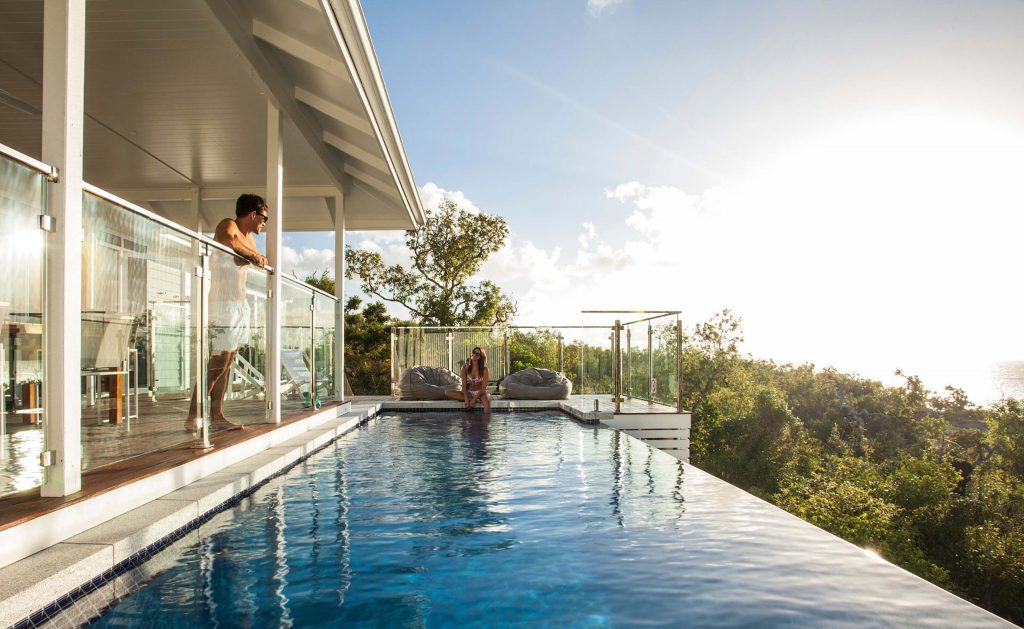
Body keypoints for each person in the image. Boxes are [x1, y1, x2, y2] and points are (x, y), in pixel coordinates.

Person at [184, 193, 269, 434]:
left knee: (228, 362)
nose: (264, 223)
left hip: (240, 308)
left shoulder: (250, 238)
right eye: (264, 218)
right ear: (253, 214)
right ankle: (193, 415)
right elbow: (227, 240)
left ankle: (217, 415)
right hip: (222, 307)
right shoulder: (228, 225)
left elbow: (248, 254)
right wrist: (252, 256)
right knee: (218, 362)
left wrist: (253, 256)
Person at [463, 346, 491, 413]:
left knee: (487, 405)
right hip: (470, 392)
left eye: (477, 354)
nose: (474, 355)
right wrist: (466, 398)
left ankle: (485, 422)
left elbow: (483, 388)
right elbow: (463, 385)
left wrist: (474, 399)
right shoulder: (465, 368)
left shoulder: (484, 369)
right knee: (448, 393)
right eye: (473, 353)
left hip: (481, 393)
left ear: (481, 357)